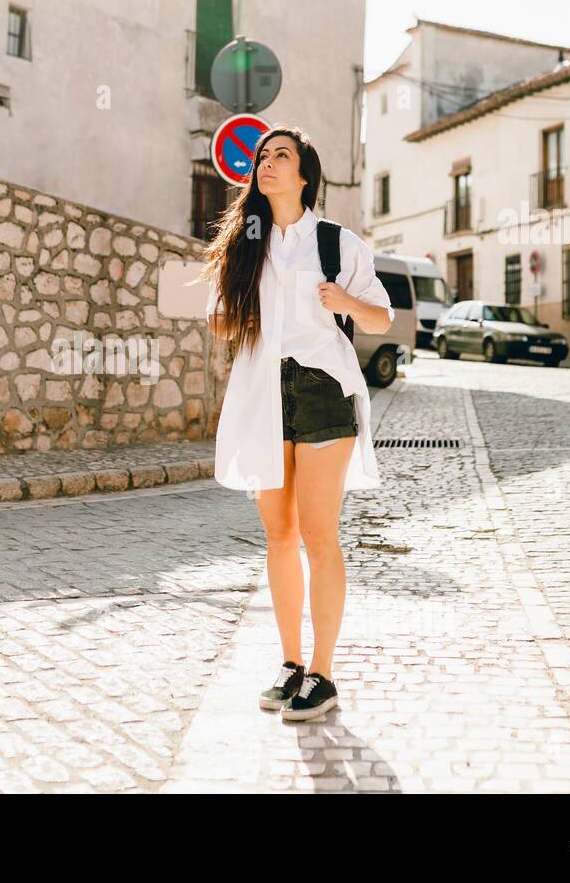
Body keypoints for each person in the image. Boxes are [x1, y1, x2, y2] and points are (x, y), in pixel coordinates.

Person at [196, 125, 395, 722]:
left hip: (321, 392)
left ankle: (324, 674)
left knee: (318, 534)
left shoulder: (337, 242)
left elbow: (381, 318)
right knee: (278, 534)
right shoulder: (245, 241)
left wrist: (347, 304)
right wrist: (226, 314)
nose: (267, 163)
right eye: (262, 156)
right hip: (263, 391)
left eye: (280, 155)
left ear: (305, 174)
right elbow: (223, 324)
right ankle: (289, 665)